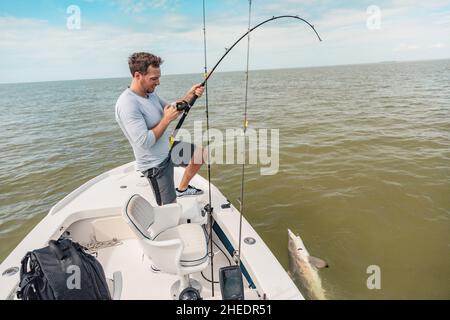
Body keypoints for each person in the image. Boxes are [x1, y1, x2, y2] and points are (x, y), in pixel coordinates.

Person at [115, 52, 205, 206]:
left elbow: (172, 108)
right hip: (156, 165)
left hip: (168, 149)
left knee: (200, 155)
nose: (158, 83)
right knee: (170, 210)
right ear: (138, 75)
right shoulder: (128, 104)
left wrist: (189, 95)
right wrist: (166, 120)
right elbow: (145, 142)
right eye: (154, 79)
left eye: (158, 77)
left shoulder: (150, 94)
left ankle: (182, 189)